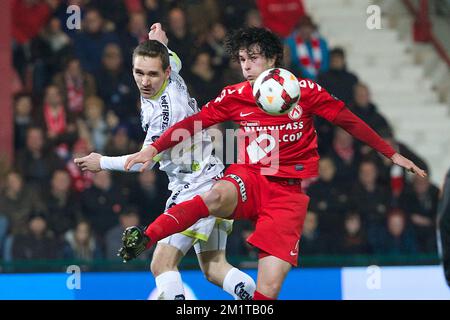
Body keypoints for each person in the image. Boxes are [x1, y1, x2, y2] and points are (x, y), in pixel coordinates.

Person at [122, 27, 427, 300]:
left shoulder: (304, 92)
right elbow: (194, 122)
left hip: (286, 195)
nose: (245, 66)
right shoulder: (236, 95)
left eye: (252, 58)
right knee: (214, 196)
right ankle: (147, 236)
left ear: (271, 59)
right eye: (241, 59)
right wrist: (153, 149)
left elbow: (347, 119)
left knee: (267, 291)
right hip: (250, 176)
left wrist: (390, 153)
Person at [75, 24, 255, 300]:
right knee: (214, 268)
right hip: (214, 178)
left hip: (193, 188)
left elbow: (141, 163)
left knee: (161, 264)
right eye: (139, 73)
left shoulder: (165, 113)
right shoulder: (169, 69)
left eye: (152, 75)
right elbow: (174, 59)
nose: (145, 81)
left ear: (166, 73)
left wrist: (102, 162)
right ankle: (258, 300)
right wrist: (158, 42)